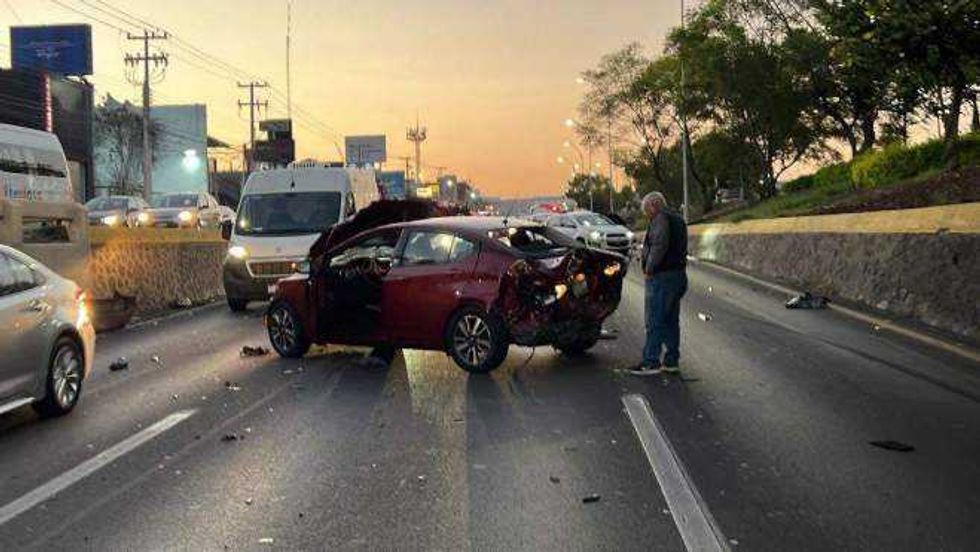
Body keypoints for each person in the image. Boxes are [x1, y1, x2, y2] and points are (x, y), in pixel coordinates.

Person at [628, 191, 688, 376]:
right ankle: (671, 361)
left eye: (647, 209)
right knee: (670, 320)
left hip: (662, 277)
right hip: (678, 275)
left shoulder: (661, 219)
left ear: (654, 205)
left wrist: (649, 268)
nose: (646, 214)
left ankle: (650, 361)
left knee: (654, 319)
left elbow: (659, 245)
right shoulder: (678, 219)